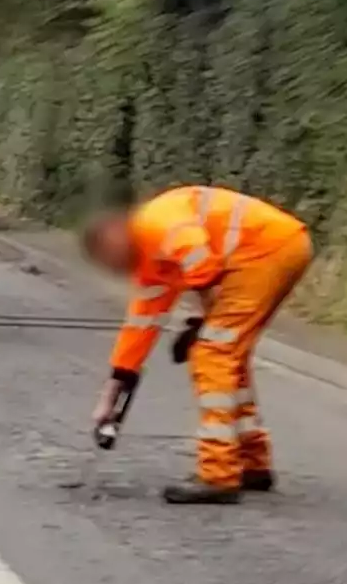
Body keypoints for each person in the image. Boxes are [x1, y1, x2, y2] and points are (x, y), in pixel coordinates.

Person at [82, 185, 312, 504]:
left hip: (262, 252)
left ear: (115, 236)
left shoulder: (157, 223)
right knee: (229, 354)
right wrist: (110, 398)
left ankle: (218, 475)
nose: (112, 268)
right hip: (276, 246)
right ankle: (252, 461)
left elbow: (203, 265)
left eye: (107, 258)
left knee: (211, 353)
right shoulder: (149, 260)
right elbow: (138, 329)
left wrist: (203, 324)